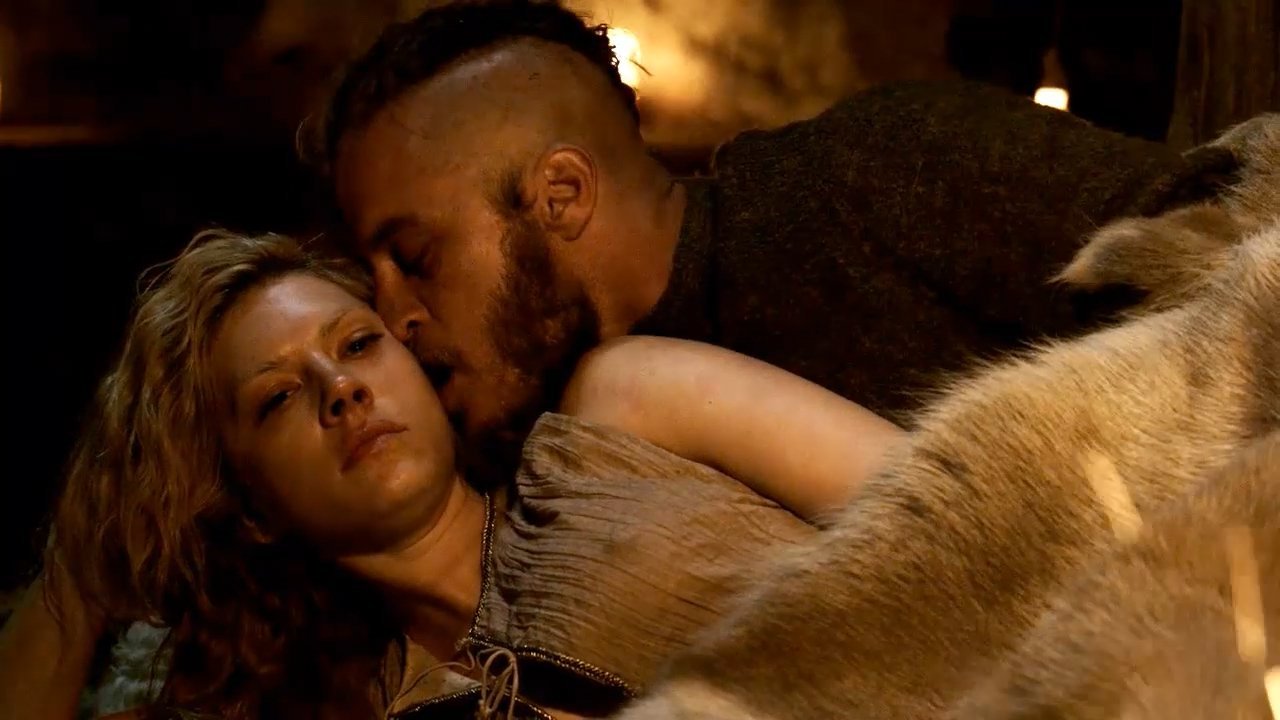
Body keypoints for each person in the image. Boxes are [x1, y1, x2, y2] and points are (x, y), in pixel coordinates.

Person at [0, 230, 903, 720]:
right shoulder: (348, 704)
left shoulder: (622, 412)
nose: (341, 389)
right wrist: (85, 555)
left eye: (358, 344)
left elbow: (957, 503)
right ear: (253, 508)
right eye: (277, 398)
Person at [319, 0, 1240, 477]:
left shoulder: (873, 172)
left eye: (416, 258)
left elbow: (1226, 233)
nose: (392, 315)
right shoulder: (536, 469)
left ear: (560, 194)